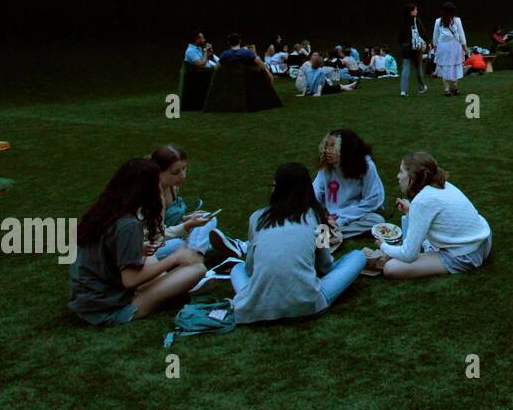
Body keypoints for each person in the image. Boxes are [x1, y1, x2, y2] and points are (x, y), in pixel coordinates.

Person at [68, 157, 207, 326]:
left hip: (86, 300)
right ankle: (174, 289)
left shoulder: (103, 210)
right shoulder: (128, 224)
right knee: (197, 269)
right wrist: (175, 258)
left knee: (150, 257)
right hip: (109, 310)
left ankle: (171, 286)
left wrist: (139, 248)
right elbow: (130, 280)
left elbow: (103, 249)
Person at [230, 162, 366, 324]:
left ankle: (259, 298)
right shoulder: (317, 216)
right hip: (308, 305)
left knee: (237, 268)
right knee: (357, 256)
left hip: (257, 308)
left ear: (277, 188)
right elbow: (325, 266)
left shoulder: (257, 217)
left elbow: (250, 269)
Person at [364, 152, 492, 279]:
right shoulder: (443, 185)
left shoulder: (423, 200)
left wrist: (383, 246)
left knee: (391, 268)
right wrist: (411, 211)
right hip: (484, 240)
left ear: (412, 177)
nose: (398, 176)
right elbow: (437, 216)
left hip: (467, 254)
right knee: (420, 244)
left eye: (401, 172)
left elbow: (408, 255)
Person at [149, 143, 241, 263]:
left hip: (173, 232)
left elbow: (167, 220)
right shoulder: (153, 196)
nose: (182, 175)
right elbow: (156, 235)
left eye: (184, 168)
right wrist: (188, 225)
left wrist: (188, 219)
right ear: (159, 172)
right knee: (178, 244)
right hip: (151, 246)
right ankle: (202, 253)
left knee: (207, 218)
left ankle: (196, 253)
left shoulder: (172, 187)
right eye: (175, 172)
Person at [312, 128, 386, 237]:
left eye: (332, 146)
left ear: (345, 149)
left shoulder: (366, 166)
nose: (327, 150)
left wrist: (342, 218)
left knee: (377, 220)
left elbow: (372, 200)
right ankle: (331, 230)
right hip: (329, 213)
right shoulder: (326, 166)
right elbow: (315, 193)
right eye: (327, 146)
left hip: (356, 212)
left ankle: (334, 232)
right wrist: (323, 215)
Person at [432, 2, 468, 96]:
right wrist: (465, 47)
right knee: (456, 65)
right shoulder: (457, 20)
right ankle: (455, 87)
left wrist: (435, 46)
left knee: (445, 67)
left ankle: (447, 89)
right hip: (455, 46)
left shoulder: (438, 21)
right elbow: (461, 35)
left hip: (442, 46)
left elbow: (435, 36)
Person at [398, 4, 430, 97]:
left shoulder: (403, 22)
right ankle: (421, 87)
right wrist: (427, 42)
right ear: (411, 11)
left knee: (405, 68)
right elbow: (422, 32)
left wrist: (402, 45)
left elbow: (400, 37)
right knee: (418, 67)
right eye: (415, 9)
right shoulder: (417, 20)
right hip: (416, 48)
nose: (417, 11)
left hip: (406, 48)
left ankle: (403, 91)